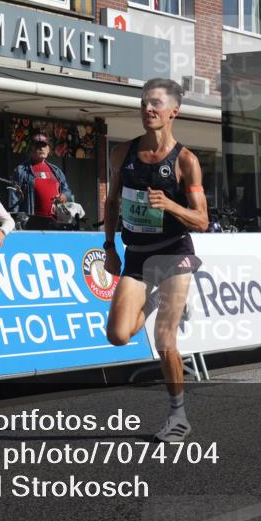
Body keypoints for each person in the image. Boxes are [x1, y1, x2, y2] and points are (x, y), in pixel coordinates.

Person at [104, 78, 208, 443]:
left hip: (174, 254)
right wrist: (109, 247)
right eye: (144, 103)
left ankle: (178, 415)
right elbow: (112, 202)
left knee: (165, 339)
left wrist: (170, 205)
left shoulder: (186, 161)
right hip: (135, 253)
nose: (148, 109)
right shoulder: (123, 154)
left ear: (173, 112)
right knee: (118, 335)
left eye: (156, 104)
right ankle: (149, 302)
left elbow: (202, 220)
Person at [10, 132, 73, 227]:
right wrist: (15, 224)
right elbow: (14, 201)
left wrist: (64, 195)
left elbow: (67, 191)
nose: (41, 149)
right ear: (31, 149)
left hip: (55, 223)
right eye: (38, 146)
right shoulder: (21, 171)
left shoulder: (56, 171)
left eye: (44, 146)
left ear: (48, 149)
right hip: (32, 225)